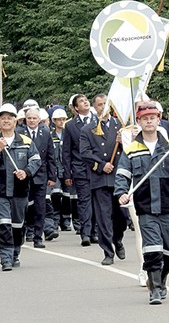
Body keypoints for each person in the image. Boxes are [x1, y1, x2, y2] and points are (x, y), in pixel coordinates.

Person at [115, 102, 169, 305]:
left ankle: (162, 276)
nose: (149, 121)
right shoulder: (131, 149)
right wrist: (122, 193)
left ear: (159, 119)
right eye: (144, 118)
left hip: (168, 204)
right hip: (146, 205)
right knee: (152, 249)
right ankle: (155, 289)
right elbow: (123, 173)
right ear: (139, 122)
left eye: (152, 117)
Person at [0, 103, 41, 271]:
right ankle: (5, 258)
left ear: (16, 121)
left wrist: (26, 172)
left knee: (17, 225)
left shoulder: (26, 141)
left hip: (20, 190)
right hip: (0, 191)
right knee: (3, 224)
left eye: (10, 118)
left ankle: (15, 252)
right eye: (3, 118)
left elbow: (36, 160)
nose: (6, 121)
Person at [80, 94, 126, 266]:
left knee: (121, 216)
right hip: (100, 178)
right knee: (103, 218)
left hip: (118, 177)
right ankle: (108, 251)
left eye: (105, 104)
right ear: (95, 107)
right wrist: (100, 165)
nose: (103, 107)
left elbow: (131, 148)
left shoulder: (120, 126)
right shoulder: (88, 129)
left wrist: (123, 142)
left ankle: (118, 239)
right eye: (99, 105)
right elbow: (85, 153)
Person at [17, 106, 57, 247]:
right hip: (24, 175)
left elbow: (51, 156)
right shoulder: (19, 133)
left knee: (40, 207)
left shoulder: (45, 133)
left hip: (41, 175)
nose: (32, 121)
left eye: (34, 118)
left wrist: (52, 176)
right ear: (25, 119)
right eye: (29, 118)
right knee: (24, 206)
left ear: (39, 120)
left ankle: (38, 237)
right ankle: (25, 230)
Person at [63, 94, 98, 246]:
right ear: (76, 108)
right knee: (84, 201)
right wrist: (67, 173)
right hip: (80, 168)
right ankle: (86, 232)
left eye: (86, 100)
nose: (85, 102)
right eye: (81, 101)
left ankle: (96, 232)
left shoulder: (99, 120)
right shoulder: (70, 125)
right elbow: (66, 151)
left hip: (98, 168)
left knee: (97, 201)